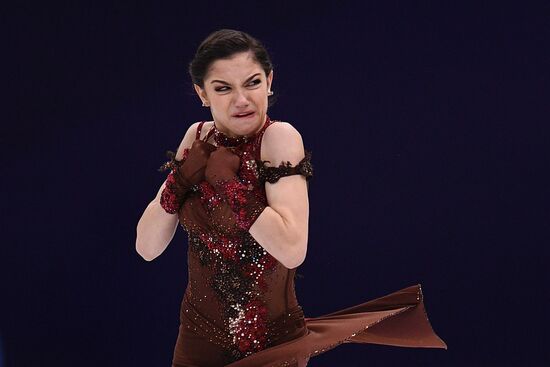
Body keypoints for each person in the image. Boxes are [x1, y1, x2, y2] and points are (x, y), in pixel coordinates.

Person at [136, 29, 446, 367]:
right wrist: (180, 180)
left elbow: (292, 249)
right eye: (223, 88)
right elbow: (147, 248)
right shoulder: (197, 136)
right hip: (197, 341)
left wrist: (228, 183)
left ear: (269, 81)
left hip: (270, 345)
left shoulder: (278, 138)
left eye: (252, 83)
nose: (242, 100)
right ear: (202, 94)